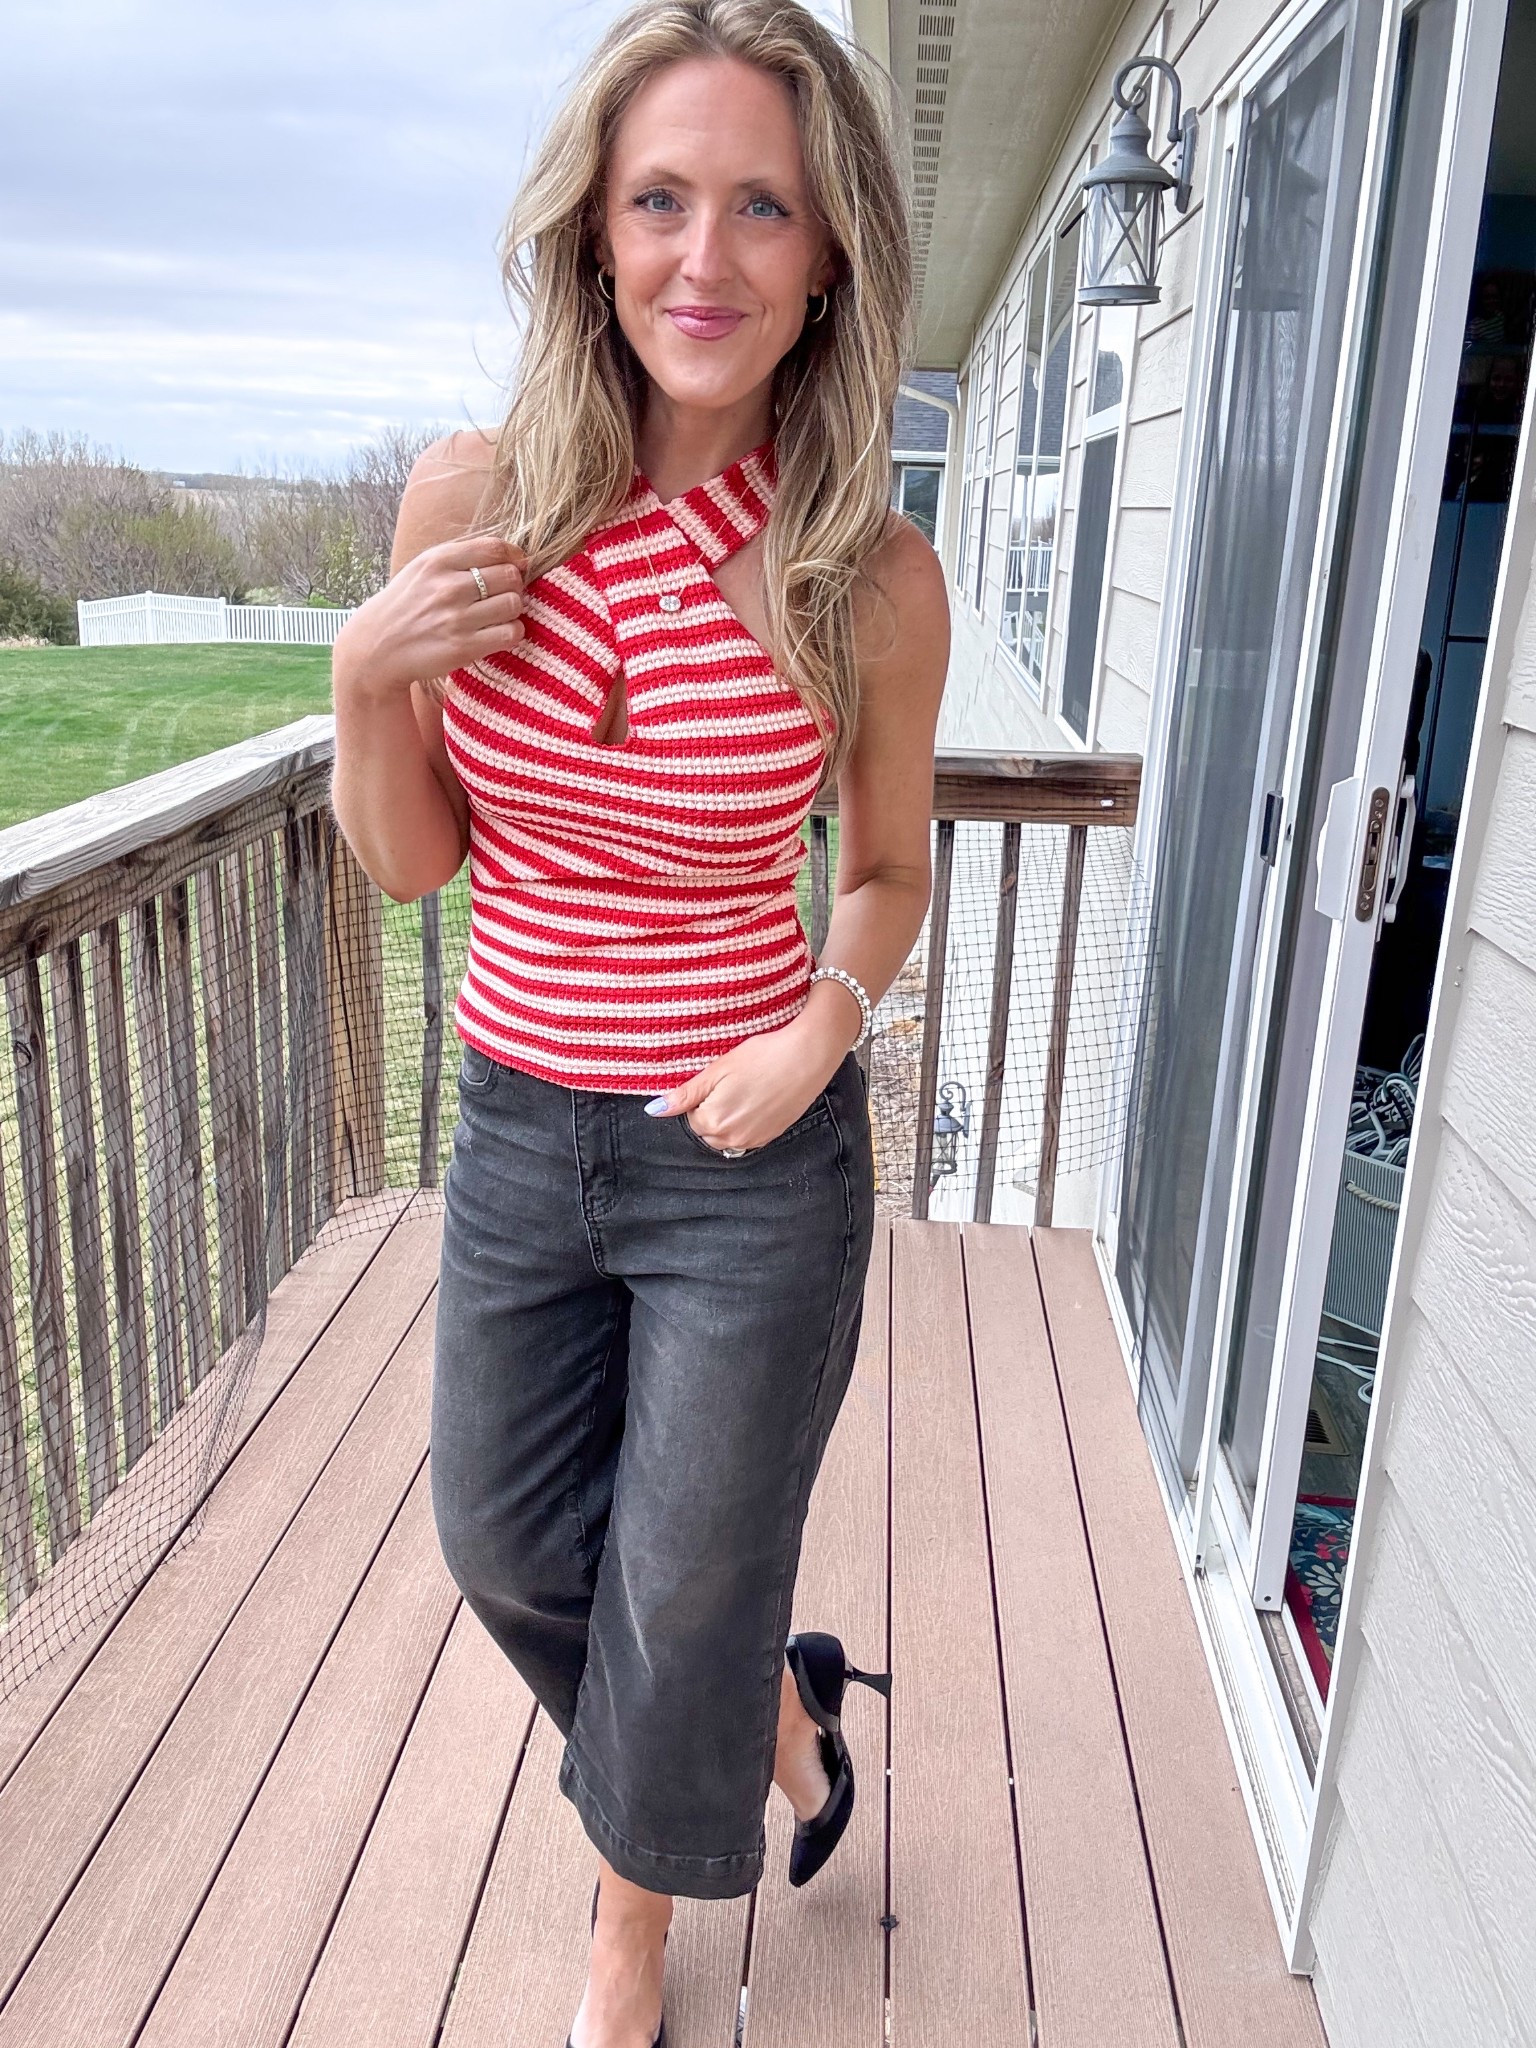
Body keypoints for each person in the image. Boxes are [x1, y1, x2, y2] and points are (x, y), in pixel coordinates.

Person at [329, 2, 948, 2041]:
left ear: (828, 249)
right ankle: (768, 1702)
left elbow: (885, 871)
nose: (707, 255)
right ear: (594, 234)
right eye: (660, 199)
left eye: (760, 206)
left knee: (683, 1572)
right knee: (503, 1532)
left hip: (748, 1156)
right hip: (521, 1123)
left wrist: (824, 1023)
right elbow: (414, 860)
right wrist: (362, 682)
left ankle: (630, 1934)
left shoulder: (862, 574)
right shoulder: (477, 500)